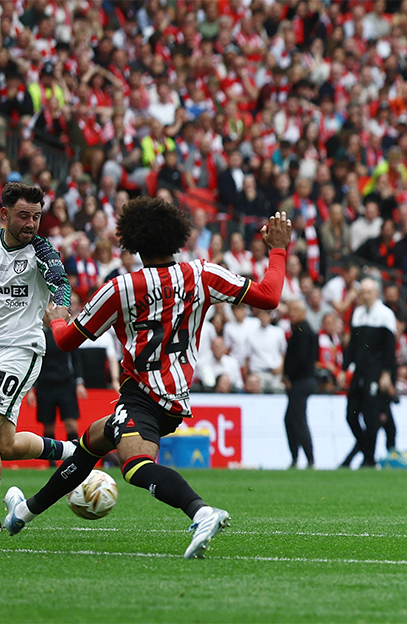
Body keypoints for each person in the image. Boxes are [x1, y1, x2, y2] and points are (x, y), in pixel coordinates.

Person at [3, 198, 291, 559]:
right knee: (92, 442)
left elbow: (65, 340)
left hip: (142, 393)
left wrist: (55, 316)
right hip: (176, 396)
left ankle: (201, 512)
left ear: (131, 241)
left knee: (135, 466)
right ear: (178, 239)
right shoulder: (202, 274)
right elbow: (269, 296)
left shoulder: (120, 288)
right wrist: (277, 251)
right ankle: (22, 514)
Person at [0, 182, 77, 485]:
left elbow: (60, 282)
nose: (31, 224)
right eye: (23, 216)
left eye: (36, 216)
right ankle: (72, 450)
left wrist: (61, 306)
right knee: (5, 446)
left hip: (20, 350)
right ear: (4, 214)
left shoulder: (42, 251)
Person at [341, 277, 397, 468]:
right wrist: (343, 368)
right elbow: (353, 346)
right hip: (360, 370)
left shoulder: (385, 314)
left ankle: (369, 458)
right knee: (351, 414)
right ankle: (366, 449)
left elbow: (390, 347)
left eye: (368, 292)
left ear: (376, 293)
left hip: (376, 370)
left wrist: (387, 373)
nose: (365, 296)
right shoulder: (357, 313)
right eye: (362, 292)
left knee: (371, 415)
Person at [29, 325, 86, 466]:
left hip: (65, 384)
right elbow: (33, 362)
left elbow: (76, 358)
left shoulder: (66, 333)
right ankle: (51, 463)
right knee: (48, 427)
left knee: (71, 425)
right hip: (45, 385)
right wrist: (30, 389)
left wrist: (79, 382)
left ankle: (75, 459)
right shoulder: (38, 335)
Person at [282, 299, 318, 469]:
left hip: (300, 381)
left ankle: (307, 458)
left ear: (303, 312)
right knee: (292, 419)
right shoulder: (303, 329)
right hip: (303, 380)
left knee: (297, 419)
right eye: (291, 309)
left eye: (295, 310)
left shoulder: (302, 331)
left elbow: (300, 359)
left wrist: (289, 375)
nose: (292, 313)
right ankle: (299, 457)